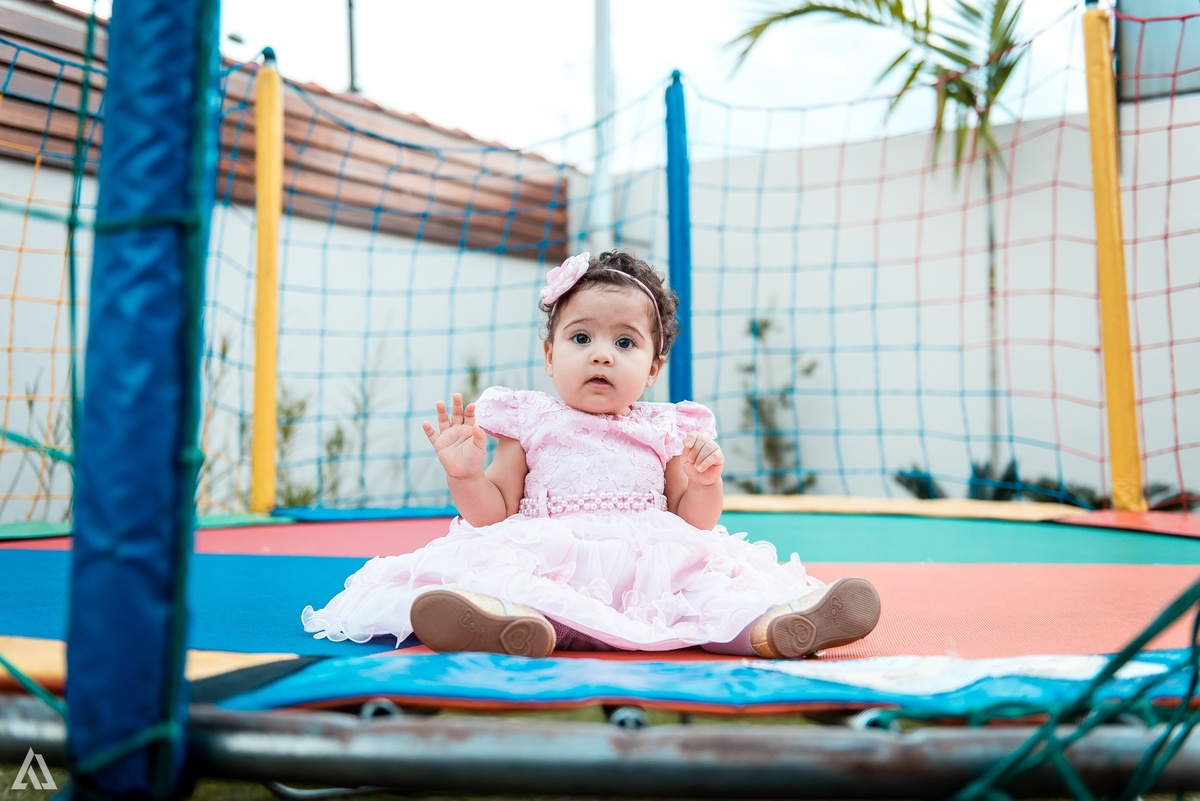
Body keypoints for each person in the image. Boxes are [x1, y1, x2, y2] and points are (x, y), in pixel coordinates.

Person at [302, 250, 881, 658]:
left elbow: (695, 522)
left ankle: (775, 628)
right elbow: (493, 512)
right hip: (554, 548)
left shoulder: (664, 428)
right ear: (551, 355)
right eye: (582, 338)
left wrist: (705, 482)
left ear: (653, 369)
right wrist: (464, 475)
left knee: (706, 594)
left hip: (652, 561)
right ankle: (509, 624)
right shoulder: (530, 421)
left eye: (624, 342)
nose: (601, 355)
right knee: (520, 582)